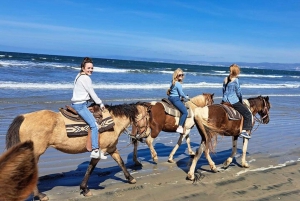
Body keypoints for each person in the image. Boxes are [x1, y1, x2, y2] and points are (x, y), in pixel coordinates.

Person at [71, 57, 107, 159]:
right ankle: (95, 150)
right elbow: (92, 92)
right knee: (94, 125)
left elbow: (84, 93)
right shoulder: (86, 78)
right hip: (80, 105)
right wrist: (100, 103)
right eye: (88, 68)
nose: (90, 70)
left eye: (92, 68)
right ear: (83, 68)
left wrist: (91, 100)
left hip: (79, 103)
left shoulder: (78, 76)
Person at [222, 64, 252, 139]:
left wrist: (224, 98)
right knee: (247, 113)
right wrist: (241, 101)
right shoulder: (236, 80)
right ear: (237, 71)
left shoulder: (225, 79)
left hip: (224, 100)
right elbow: (239, 93)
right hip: (233, 101)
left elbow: (223, 90)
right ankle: (244, 131)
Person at [168, 68, 189, 134]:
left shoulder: (172, 82)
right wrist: (186, 97)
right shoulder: (178, 84)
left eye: (182, 75)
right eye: (180, 75)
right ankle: (180, 127)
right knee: (185, 112)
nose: (181, 76)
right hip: (175, 99)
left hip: (170, 98)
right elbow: (181, 93)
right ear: (176, 75)